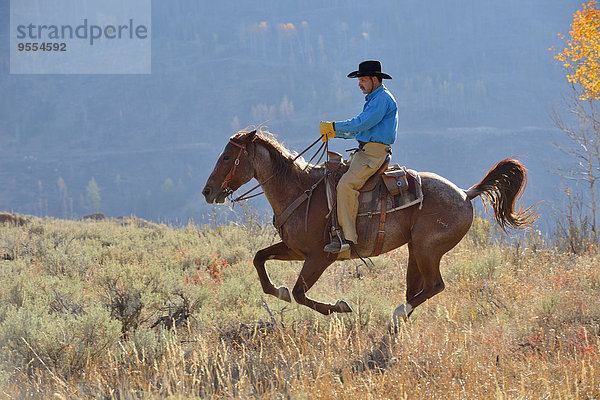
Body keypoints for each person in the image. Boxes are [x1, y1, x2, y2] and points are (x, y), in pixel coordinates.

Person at [320, 60, 398, 253]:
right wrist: (334, 132)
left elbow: (360, 125)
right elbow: (360, 130)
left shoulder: (381, 99)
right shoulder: (374, 99)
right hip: (366, 152)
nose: (359, 84)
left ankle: (346, 239)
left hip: (373, 154)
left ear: (374, 79)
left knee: (346, 185)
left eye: (363, 79)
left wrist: (334, 127)